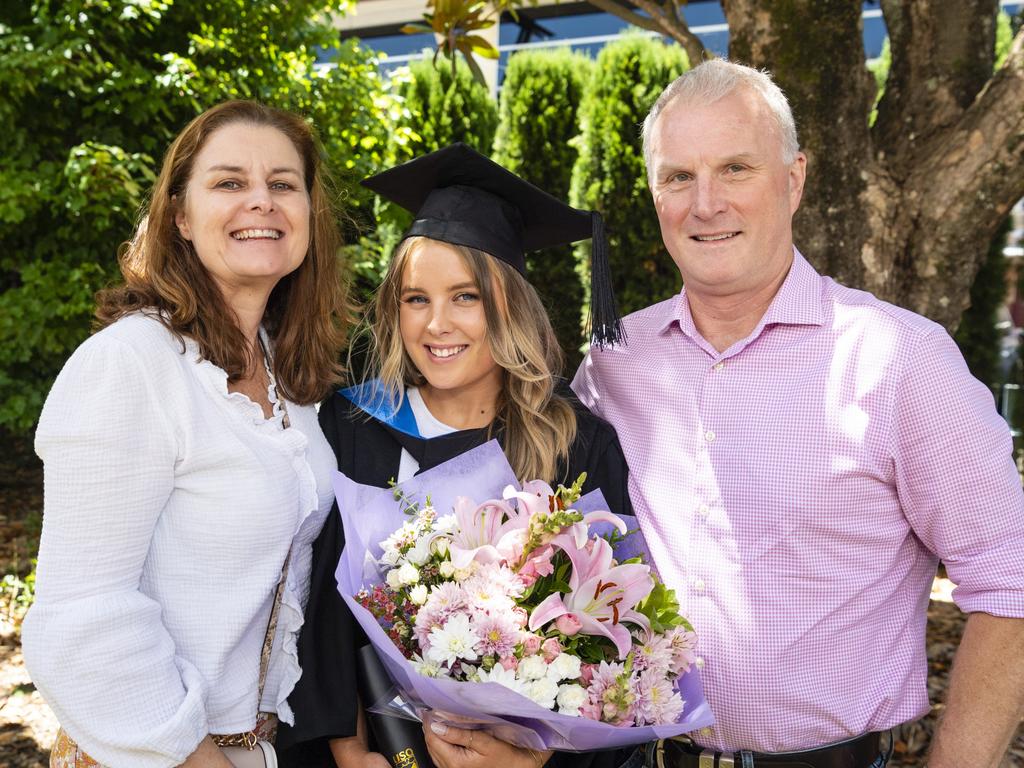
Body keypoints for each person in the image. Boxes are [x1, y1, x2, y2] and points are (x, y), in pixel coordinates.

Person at [572, 59, 1024, 768]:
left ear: (795, 179)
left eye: (736, 169)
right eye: (678, 177)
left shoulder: (899, 361)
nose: (706, 203)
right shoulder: (614, 365)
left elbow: (1011, 577)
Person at [277, 144, 641, 768]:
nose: (435, 324)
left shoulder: (575, 443)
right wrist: (346, 748)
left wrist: (538, 760)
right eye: (415, 298)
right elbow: (319, 612)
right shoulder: (352, 424)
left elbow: (617, 645)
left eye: (464, 296)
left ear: (509, 306)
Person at [22, 100, 350, 767]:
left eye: (283, 185)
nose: (261, 201)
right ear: (180, 216)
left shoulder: (291, 378)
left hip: (259, 747)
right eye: (230, 183)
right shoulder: (132, 365)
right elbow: (83, 616)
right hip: (157, 754)